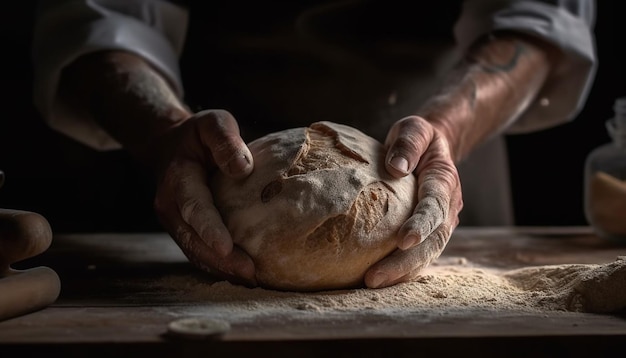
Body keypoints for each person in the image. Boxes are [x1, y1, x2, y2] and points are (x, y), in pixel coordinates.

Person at [30, 0, 596, 288]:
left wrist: (445, 127)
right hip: (211, 158)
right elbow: (95, 16)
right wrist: (165, 134)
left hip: (429, 158)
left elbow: (542, 16)